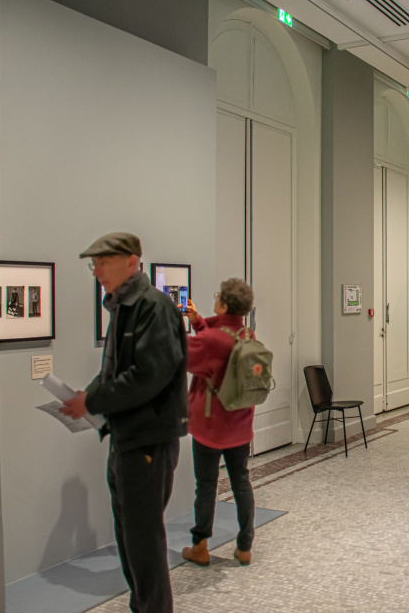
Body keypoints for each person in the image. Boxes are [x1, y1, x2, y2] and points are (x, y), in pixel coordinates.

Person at [60, 232, 188, 613]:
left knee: (144, 540)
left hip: (148, 440)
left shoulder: (153, 307)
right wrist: (86, 396)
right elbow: (114, 369)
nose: (97, 270)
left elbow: (151, 374)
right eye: (93, 264)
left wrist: (93, 399)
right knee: (131, 536)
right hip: (125, 437)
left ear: (131, 262)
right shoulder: (122, 308)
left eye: (103, 261)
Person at [180, 278, 256, 567]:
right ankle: (245, 546)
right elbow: (219, 338)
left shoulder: (213, 340)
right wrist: (199, 322)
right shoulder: (247, 335)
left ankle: (199, 546)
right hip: (241, 425)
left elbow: (185, 354)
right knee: (241, 482)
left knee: (207, 485)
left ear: (223, 304)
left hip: (210, 427)